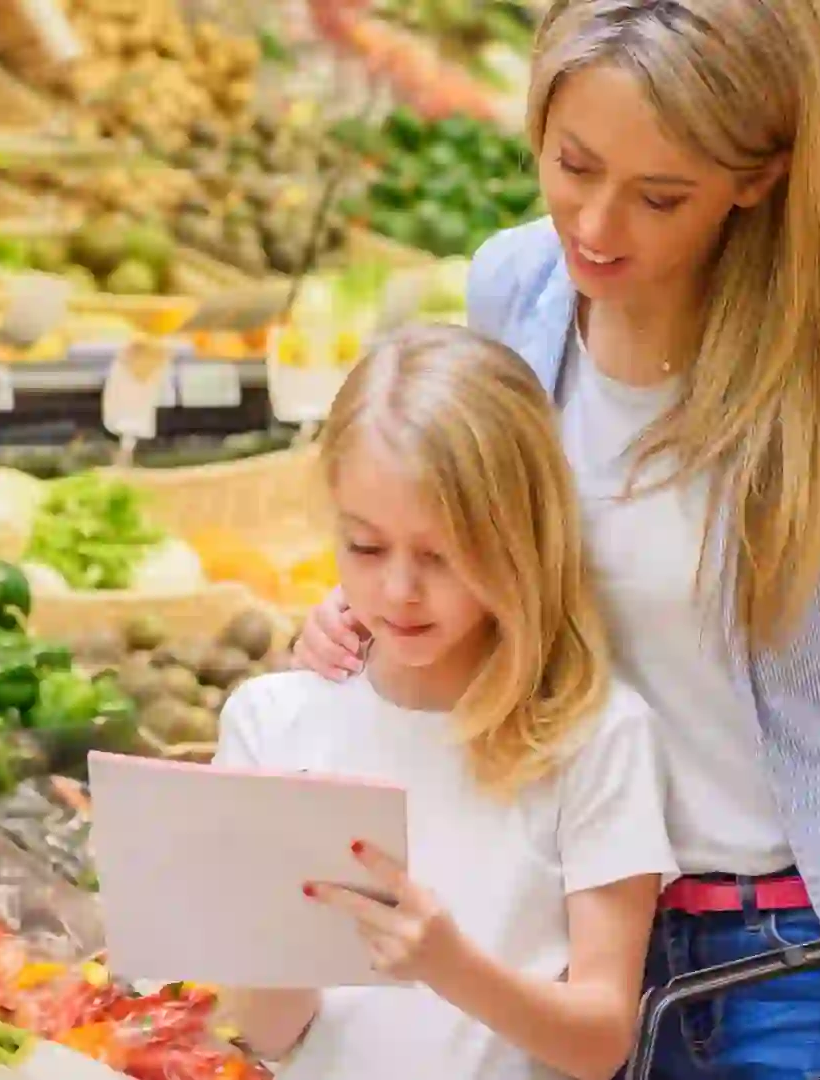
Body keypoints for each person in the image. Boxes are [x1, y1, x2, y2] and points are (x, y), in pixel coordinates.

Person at [291, 0, 820, 1075]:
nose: (594, 226)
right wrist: (378, 615)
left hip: (818, 953)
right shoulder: (516, 288)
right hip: (569, 941)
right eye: (571, 165)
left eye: (659, 195)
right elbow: (496, 548)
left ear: (758, 175)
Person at [213, 324, 678, 1080]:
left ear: (521, 538)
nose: (398, 590)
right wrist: (271, 947)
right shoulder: (271, 722)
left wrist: (448, 963)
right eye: (365, 548)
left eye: (440, 554)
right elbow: (263, 1035)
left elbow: (599, 1040)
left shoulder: (594, 736)